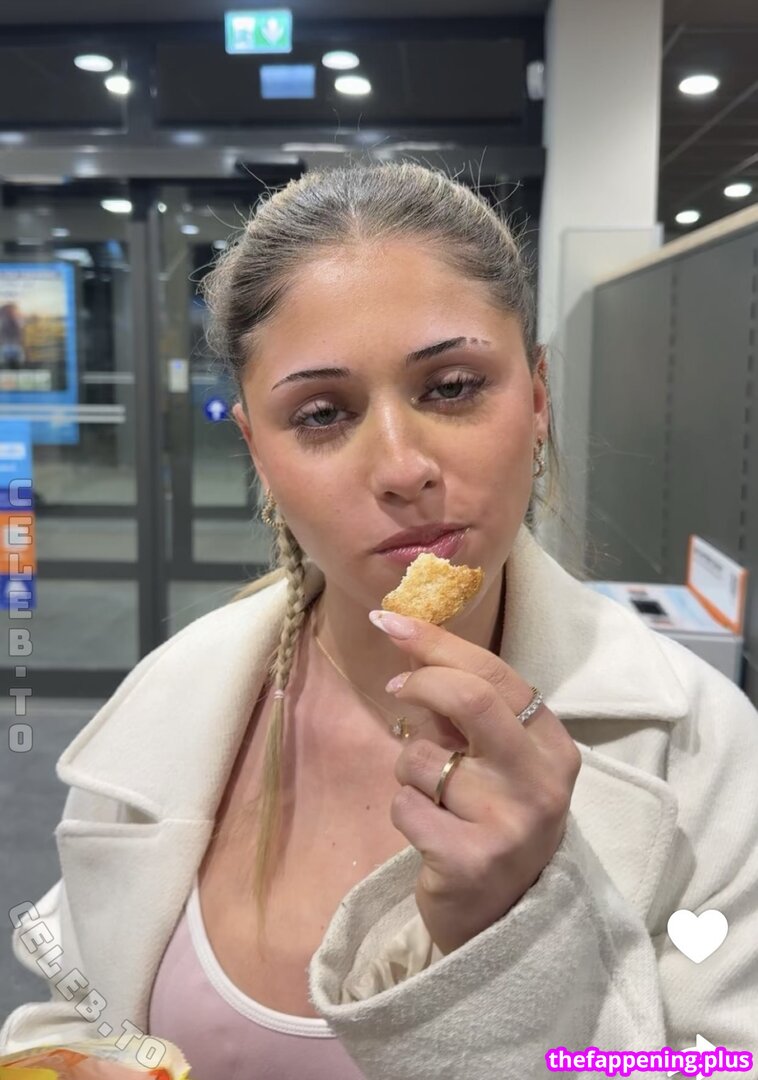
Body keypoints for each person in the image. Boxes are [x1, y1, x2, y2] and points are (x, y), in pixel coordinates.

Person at [2, 162, 757, 1080]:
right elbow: (76, 1006)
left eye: (453, 386)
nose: (402, 468)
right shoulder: (171, 705)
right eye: (322, 413)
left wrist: (515, 938)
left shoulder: (704, 750)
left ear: (537, 399)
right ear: (257, 452)